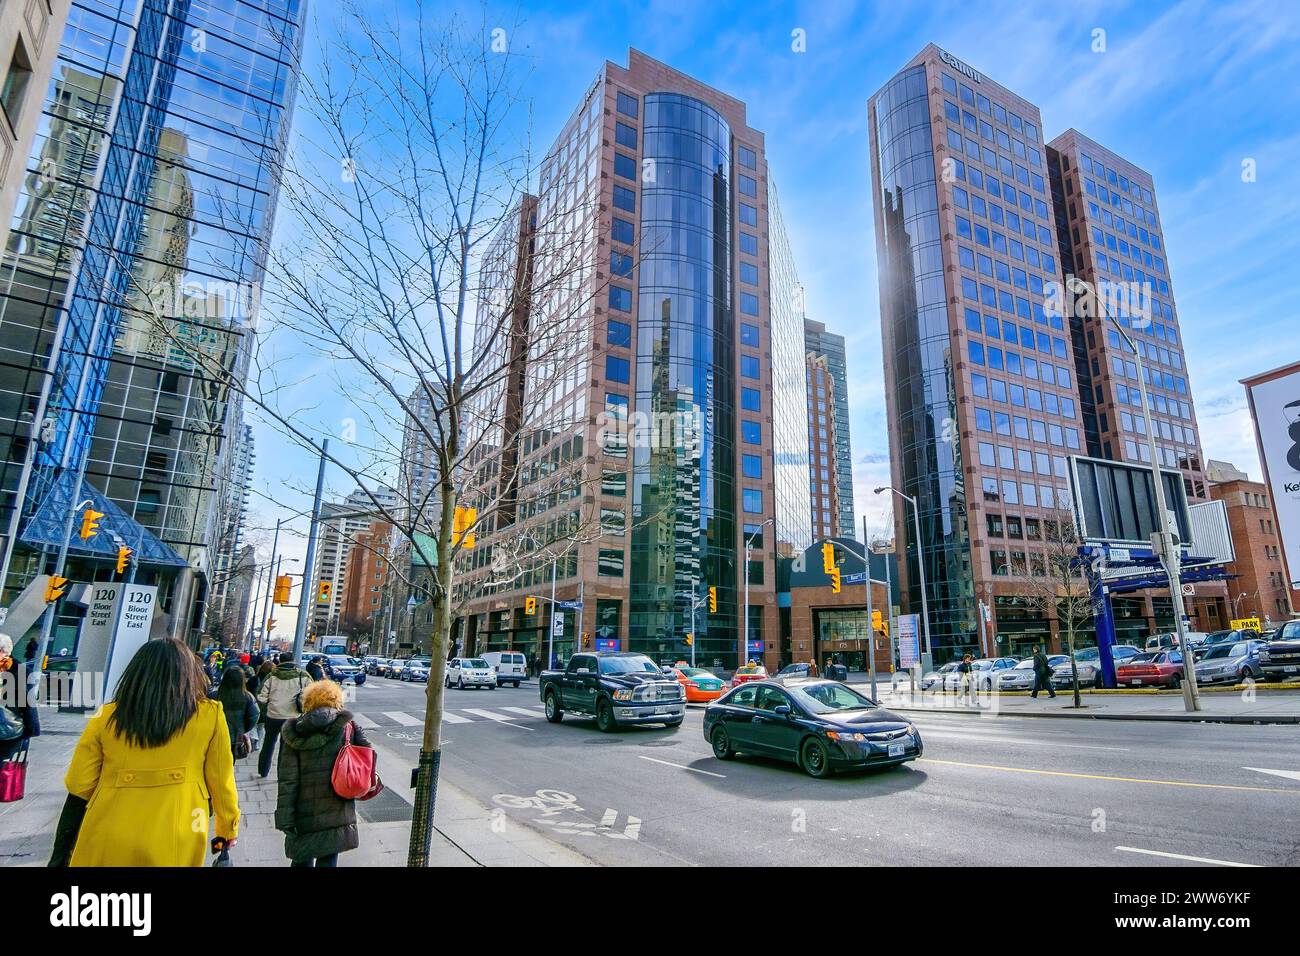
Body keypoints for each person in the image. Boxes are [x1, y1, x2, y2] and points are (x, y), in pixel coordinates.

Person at [61, 638, 240, 866]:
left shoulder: (105, 716)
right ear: (188, 674)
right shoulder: (210, 715)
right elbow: (221, 781)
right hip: (181, 826)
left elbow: (79, 783)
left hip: (109, 825)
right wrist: (227, 828)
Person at [275, 679, 372, 867]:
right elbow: (367, 753)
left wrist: (285, 817)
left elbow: (287, 779)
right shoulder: (347, 726)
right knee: (328, 859)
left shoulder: (292, 731)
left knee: (301, 859)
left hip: (302, 810)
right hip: (336, 806)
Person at [256, 655, 312, 778]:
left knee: (268, 743)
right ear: (294, 661)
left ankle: (263, 770)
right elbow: (312, 694)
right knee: (285, 747)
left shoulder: (271, 676)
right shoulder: (303, 676)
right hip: (292, 717)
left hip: (273, 715)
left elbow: (261, 697)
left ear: (280, 661)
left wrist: (268, 705)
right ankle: (281, 774)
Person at [0, 634, 39, 762]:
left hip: (8, 729)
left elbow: (28, 702)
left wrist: (30, 728)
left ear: (4, 652)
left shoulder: (19, 671)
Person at [210, 665, 259, 758]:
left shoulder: (213, 696)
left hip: (215, 735)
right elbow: (254, 716)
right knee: (231, 760)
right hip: (236, 737)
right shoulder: (248, 697)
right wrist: (244, 728)